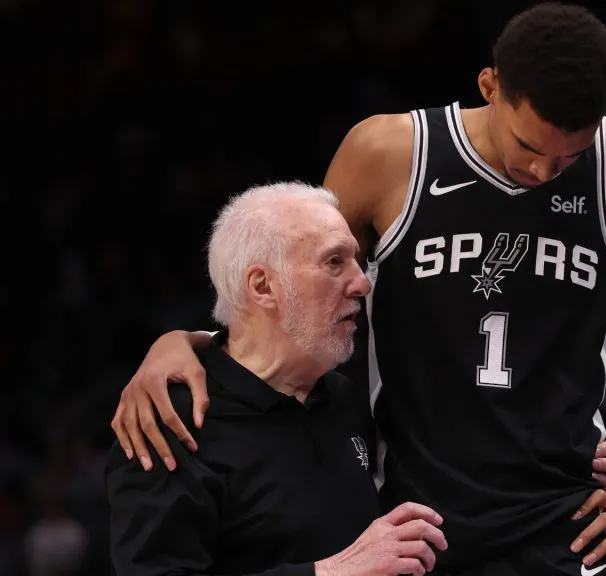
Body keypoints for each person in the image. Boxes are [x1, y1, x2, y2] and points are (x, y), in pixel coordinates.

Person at [111, 3, 606, 575]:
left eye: (567, 158)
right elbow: (299, 288)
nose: (543, 171)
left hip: (565, 520)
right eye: (529, 147)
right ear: (490, 87)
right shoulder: (387, 153)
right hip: (410, 517)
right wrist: (185, 340)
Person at [106, 182, 448, 576]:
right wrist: (331, 572)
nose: (362, 283)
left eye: (357, 260)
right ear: (262, 286)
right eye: (334, 262)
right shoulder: (169, 419)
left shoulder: (340, 395)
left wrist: (178, 340)